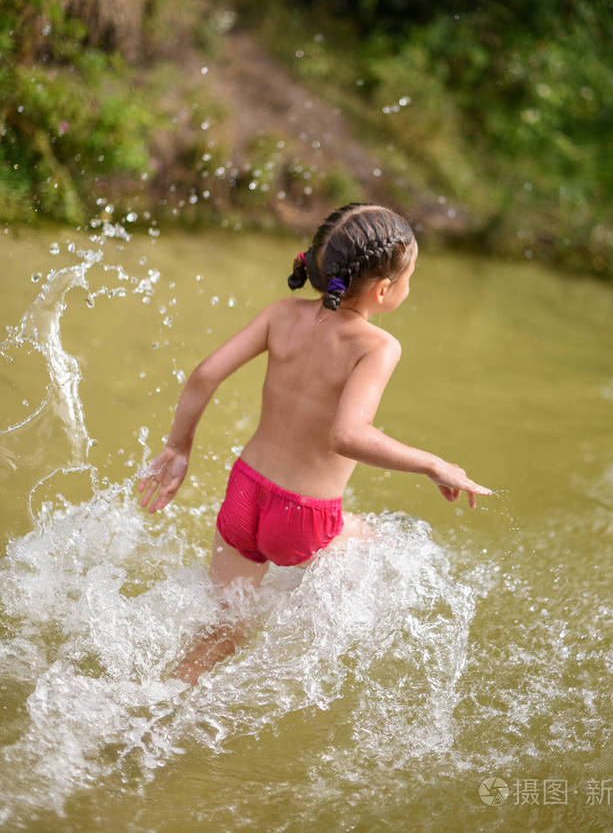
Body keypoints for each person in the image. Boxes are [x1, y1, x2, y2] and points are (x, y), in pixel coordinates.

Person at [138, 202, 492, 683]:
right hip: (304, 518)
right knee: (387, 540)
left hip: (244, 495)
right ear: (385, 289)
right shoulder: (376, 346)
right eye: (411, 277)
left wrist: (179, 448)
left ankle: (154, 709)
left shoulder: (281, 314)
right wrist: (433, 464)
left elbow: (205, 374)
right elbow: (347, 436)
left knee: (223, 632)